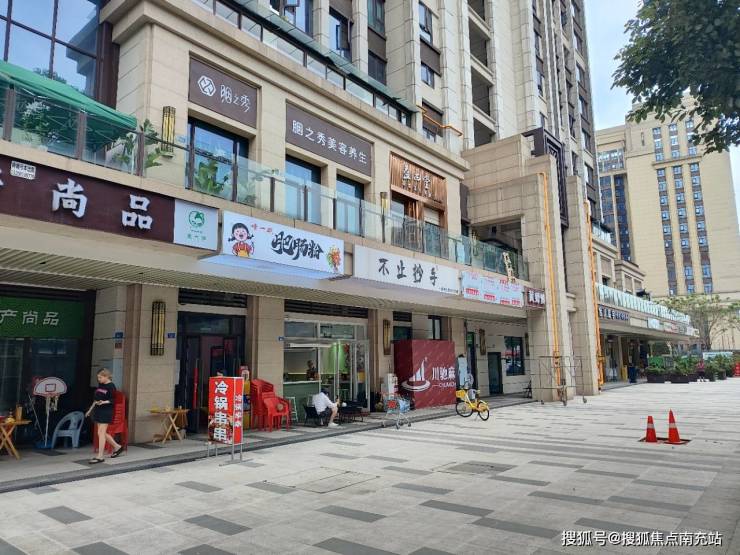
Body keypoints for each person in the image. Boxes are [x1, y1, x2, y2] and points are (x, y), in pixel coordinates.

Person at [86, 369, 123, 464]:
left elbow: (113, 400)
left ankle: (100, 456)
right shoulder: (101, 385)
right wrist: (90, 410)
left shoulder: (111, 386)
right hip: (98, 410)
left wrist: (104, 402)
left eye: (100, 377)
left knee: (101, 433)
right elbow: (96, 399)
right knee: (102, 433)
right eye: (98, 377)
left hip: (106, 411)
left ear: (106, 376)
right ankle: (117, 447)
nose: (98, 379)